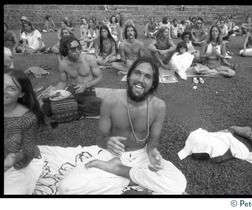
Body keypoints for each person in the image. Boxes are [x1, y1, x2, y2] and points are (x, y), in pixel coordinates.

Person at [58, 57, 187, 194]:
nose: (140, 80)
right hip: (113, 155)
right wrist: (107, 141)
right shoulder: (110, 102)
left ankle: (118, 171)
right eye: (137, 73)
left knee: (178, 184)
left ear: (153, 84)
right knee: (66, 188)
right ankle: (138, 180)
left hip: (142, 156)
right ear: (129, 75)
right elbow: (100, 138)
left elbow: (153, 139)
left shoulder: (159, 106)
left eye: (147, 76)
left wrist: (152, 151)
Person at [4, 68, 46, 194]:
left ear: (21, 94)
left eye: (11, 88)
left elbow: (29, 151)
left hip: (17, 165)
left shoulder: (28, 118)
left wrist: (14, 157)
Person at [55, 35, 102, 116]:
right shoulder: (63, 64)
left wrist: (86, 85)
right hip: (73, 91)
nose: (77, 51)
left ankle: (72, 107)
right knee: (48, 105)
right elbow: (63, 82)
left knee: (101, 105)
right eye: (73, 49)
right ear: (65, 50)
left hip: (88, 92)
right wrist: (55, 93)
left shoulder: (89, 58)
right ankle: (75, 107)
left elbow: (100, 78)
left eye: (79, 47)